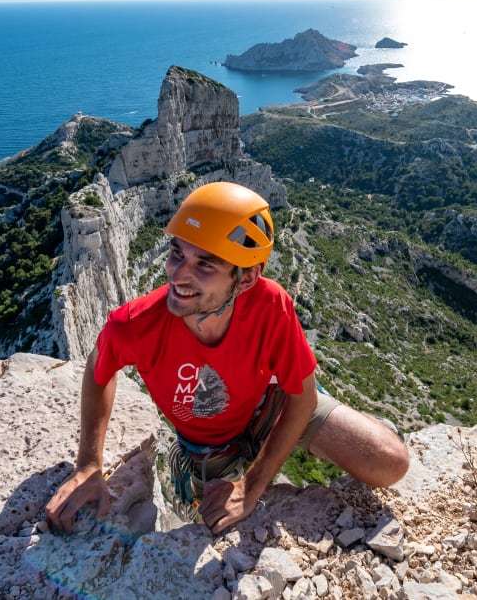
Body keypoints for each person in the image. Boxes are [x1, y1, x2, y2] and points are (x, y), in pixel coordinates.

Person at [46, 181, 409, 535]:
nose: (177, 274)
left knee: (389, 462)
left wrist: (252, 487)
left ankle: (356, 423)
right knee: (212, 526)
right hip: (207, 444)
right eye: (177, 253)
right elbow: (99, 368)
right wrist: (89, 464)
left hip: (270, 403)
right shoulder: (135, 324)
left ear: (247, 277)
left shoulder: (271, 304)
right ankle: (189, 468)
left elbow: (303, 396)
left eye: (205, 264)